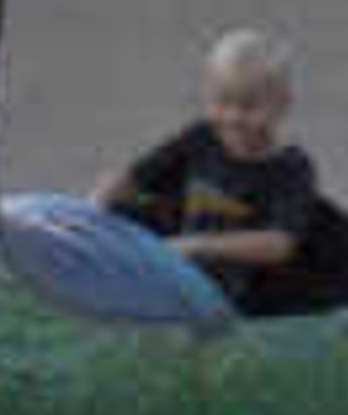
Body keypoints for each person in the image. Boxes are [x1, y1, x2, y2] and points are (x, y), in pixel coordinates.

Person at [102, 35, 335, 312]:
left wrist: (200, 246)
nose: (233, 117)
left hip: (242, 302)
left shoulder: (291, 168)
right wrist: (94, 208)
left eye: (249, 106)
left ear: (281, 106)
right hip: (181, 277)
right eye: (222, 102)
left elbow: (279, 243)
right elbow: (135, 177)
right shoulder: (201, 138)